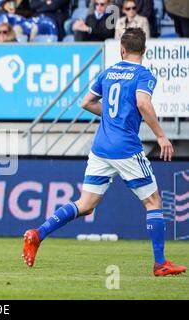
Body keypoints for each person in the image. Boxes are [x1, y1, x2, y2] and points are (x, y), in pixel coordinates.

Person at [22, 28, 187, 277]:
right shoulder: (143, 74)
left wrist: (112, 116)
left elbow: (86, 102)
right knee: (153, 202)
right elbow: (143, 103)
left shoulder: (108, 73)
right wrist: (161, 136)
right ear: (144, 50)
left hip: (101, 148)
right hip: (126, 148)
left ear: (122, 49)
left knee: (86, 204)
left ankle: (38, 233)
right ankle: (160, 263)